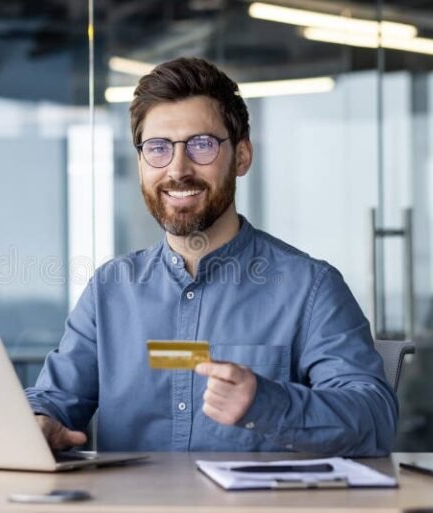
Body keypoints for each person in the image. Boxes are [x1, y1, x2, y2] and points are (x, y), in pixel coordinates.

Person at [25, 57, 397, 456]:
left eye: (202, 145)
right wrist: (39, 423)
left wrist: (268, 404)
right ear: (140, 162)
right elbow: (55, 398)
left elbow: (374, 417)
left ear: (241, 156)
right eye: (158, 148)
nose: (178, 169)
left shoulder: (310, 287)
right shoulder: (109, 290)